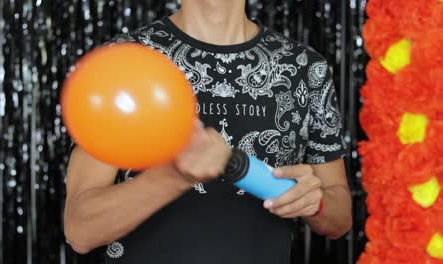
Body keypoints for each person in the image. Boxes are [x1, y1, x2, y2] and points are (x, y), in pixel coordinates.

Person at [64, 0, 352, 263]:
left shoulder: (306, 68)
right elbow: (80, 230)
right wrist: (174, 177)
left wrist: (315, 202)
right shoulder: (124, 62)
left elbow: (340, 220)